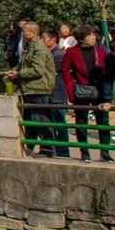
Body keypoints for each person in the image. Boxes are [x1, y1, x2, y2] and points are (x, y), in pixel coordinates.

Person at [61, 25, 113, 163]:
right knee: (81, 122)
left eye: (93, 34)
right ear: (81, 39)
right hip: (81, 91)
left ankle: (105, 153)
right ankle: (84, 153)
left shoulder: (101, 50)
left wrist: (108, 93)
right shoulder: (71, 52)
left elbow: (109, 69)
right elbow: (65, 71)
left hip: (100, 90)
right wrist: (71, 90)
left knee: (103, 122)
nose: (93, 37)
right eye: (90, 35)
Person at [7, 21, 55, 155]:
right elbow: (23, 64)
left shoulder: (38, 48)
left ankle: (47, 149)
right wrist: (14, 70)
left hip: (39, 89)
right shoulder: (30, 46)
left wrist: (19, 74)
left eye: (24, 31)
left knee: (41, 120)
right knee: (30, 121)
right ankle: (30, 146)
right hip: (29, 88)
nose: (22, 33)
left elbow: (37, 70)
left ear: (32, 33)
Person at [40, 30, 71, 159]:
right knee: (49, 122)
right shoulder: (49, 53)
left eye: (44, 38)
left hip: (57, 93)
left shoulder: (58, 55)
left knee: (60, 122)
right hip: (49, 92)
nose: (42, 41)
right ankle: (51, 149)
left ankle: (63, 151)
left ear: (53, 39)